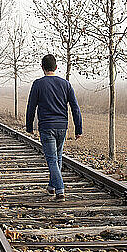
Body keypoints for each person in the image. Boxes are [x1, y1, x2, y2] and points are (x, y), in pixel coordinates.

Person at [25, 54, 82, 201]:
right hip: (62, 127)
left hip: (46, 127)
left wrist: (29, 126)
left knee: (51, 159)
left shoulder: (38, 84)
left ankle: (60, 190)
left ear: (42, 67)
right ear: (56, 67)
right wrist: (78, 129)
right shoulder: (66, 84)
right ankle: (52, 186)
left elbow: (31, 106)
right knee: (57, 158)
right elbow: (75, 108)